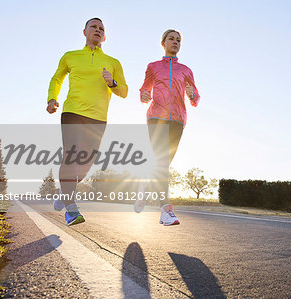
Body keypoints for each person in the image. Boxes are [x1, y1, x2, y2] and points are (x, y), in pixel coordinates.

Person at [47, 17, 128, 225]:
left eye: (101, 28)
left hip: (98, 117)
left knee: (84, 165)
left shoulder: (113, 62)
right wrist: (52, 98)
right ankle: (71, 210)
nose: (97, 30)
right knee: (70, 155)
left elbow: (124, 92)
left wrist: (112, 82)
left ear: (105, 36)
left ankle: (64, 193)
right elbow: (57, 78)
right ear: (84, 32)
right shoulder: (70, 56)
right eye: (93, 26)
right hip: (72, 112)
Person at [138, 29, 200, 225]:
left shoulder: (186, 70)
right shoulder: (153, 67)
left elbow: (196, 98)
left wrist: (191, 94)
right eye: (171, 39)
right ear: (163, 43)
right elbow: (143, 90)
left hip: (178, 120)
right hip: (156, 117)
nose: (175, 42)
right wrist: (144, 96)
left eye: (178, 40)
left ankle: (146, 188)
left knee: (163, 164)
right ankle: (165, 210)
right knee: (161, 161)